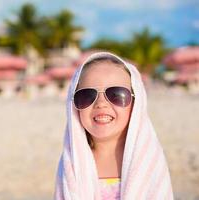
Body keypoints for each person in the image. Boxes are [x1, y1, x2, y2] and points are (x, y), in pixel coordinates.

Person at [54, 52, 173, 199]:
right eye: (87, 96)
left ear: (136, 103)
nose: (101, 103)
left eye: (116, 95)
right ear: (73, 105)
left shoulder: (148, 159)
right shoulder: (72, 162)